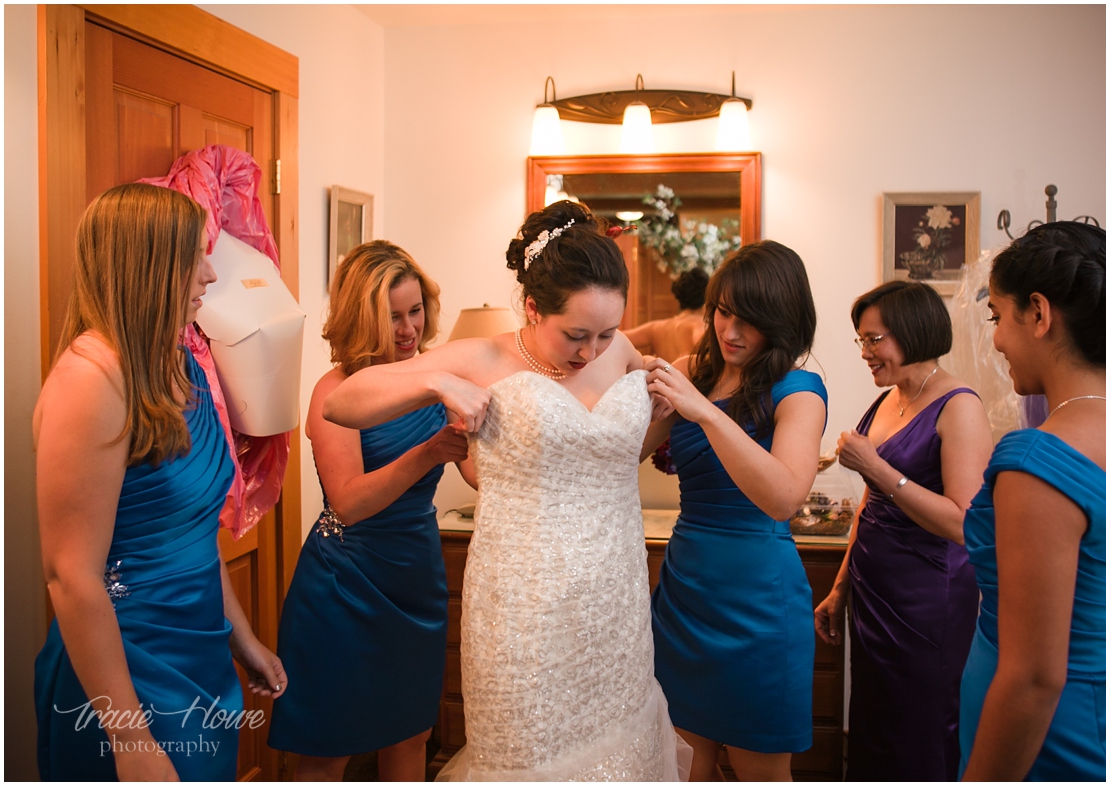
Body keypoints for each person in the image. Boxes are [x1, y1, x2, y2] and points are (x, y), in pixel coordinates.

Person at [323, 200, 689, 781]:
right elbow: (340, 403)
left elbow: (618, 452)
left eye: (606, 332)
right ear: (533, 306)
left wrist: (667, 408)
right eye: (575, 334)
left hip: (614, 600)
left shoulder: (620, 353)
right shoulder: (484, 357)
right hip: (524, 605)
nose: (591, 351)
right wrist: (438, 380)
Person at [33, 183, 286, 781]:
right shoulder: (90, 382)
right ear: (146, 264)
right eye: (191, 256)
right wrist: (131, 741)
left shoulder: (184, 363)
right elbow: (70, 577)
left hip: (200, 650)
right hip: (127, 667)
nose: (208, 274)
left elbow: (193, 531)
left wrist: (240, 637)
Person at [960, 222, 1106, 780]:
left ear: (1038, 314)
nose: (994, 340)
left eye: (996, 316)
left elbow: (1034, 678)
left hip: (1043, 751)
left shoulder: (1038, 459)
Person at [267, 241, 471, 780]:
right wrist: (428, 452)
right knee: (327, 745)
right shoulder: (334, 391)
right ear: (362, 318)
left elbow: (477, 475)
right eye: (392, 316)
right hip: (345, 585)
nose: (408, 330)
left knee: (410, 737)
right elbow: (349, 503)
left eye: (415, 311)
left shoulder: (435, 378)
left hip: (416, 579)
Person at [645, 240, 828, 781]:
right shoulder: (690, 371)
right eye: (723, 312)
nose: (730, 331)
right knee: (677, 766)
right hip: (684, 595)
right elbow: (621, 451)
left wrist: (703, 413)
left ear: (783, 321)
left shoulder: (799, 391)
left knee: (760, 770)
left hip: (760, 607)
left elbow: (784, 495)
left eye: (749, 320)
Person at [812, 281, 991, 780]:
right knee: (875, 721)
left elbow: (963, 522)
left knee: (923, 724)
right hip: (873, 594)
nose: (865, 353)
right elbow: (871, 502)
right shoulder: (889, 400)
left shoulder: (959, 406)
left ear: (911, 332)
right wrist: (841, 586)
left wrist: (878, 467)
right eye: (861, 341)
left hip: (926, 599)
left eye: (875, 340)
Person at [623, 267, 709, 360]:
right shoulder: (699, 325)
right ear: (708, 297)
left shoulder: (656, 327)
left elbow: (617, 337)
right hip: (687, 374)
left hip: (662, 373)